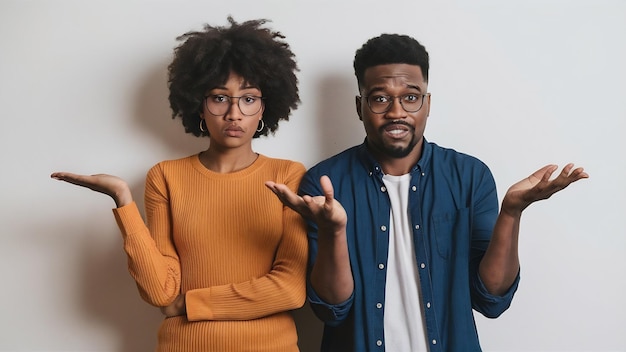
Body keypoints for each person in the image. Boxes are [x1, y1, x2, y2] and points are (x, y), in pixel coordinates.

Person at [265, 33, 589, 351]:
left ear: (427, 104)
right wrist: (334, 230)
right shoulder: (324, 183)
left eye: (410, 96)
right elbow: (331, 309)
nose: (396, 111)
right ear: (359, 106)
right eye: (379, 98)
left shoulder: (469, 177)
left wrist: (512, 212)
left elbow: (491, 298)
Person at [51, 17, 308, 352]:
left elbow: (289, 289)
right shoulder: (165, 177)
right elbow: (161, 292)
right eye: (219, 98)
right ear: (199, 104)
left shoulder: (289, 176)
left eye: (248, 99)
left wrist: (190, 305)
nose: (234, 113)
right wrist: (123, 201)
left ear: (264, 108)